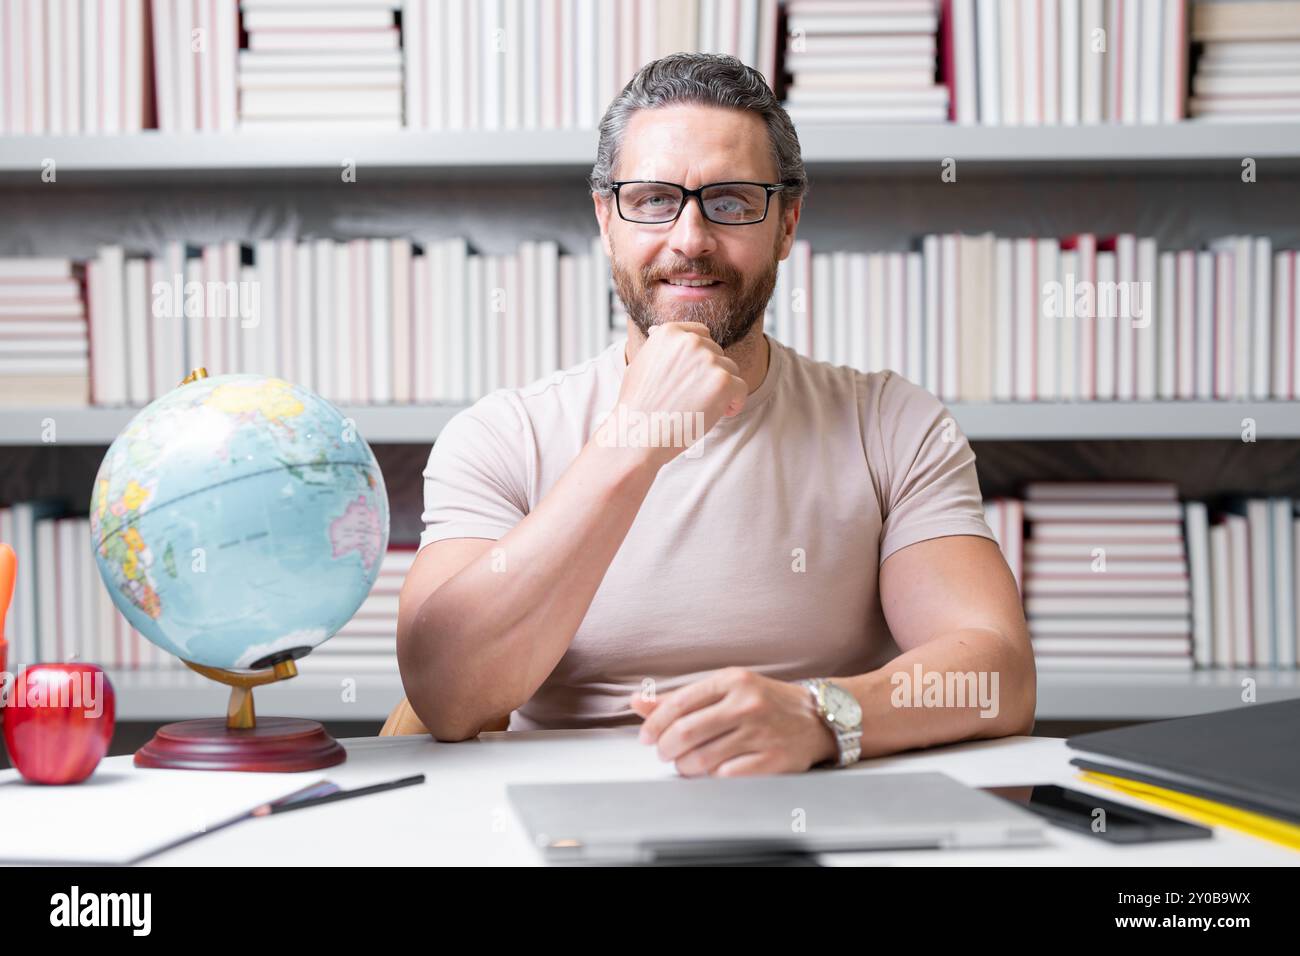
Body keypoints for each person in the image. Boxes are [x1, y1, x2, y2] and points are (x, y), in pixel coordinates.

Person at [393, 52, 1035, 776]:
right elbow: (447, 696)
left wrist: (819, 716)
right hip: (574, 817)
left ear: (786, 223)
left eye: (730, 201)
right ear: (607, 218)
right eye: (652, 199)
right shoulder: (502, 436)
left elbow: (997, 674)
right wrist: (636, 438)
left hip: (818, 796)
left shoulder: (892, 422)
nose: (690, 239)